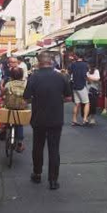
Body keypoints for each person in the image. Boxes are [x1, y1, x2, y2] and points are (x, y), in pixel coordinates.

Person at [24, 52, 72, 190]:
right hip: (56, 118)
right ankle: (53, 180)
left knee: (38, 147)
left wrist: (36, 99)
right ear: (51, 62)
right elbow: (68, 98)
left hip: (38, 118)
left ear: (38, 63)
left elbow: (26, 98)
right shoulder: (61, 76)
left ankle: (37, 174)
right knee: (54, 149)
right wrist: (58, 100)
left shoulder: (33, 77)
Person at [1, 67, 28, 152]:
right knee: (19, 123)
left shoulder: (9, 84)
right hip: (21, 106)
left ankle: (5, 127)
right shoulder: (25, 84)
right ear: (22, 76)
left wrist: (2, 94)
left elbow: (3, 93)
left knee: (7, 115)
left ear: (11, 76)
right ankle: (19, 143)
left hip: (10, 105)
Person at [68, 54, 90, 126]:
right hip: (81, 86)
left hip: (74, 86)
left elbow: (69, 73)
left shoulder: (73, 64)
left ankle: (74, 120)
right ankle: (85, 119)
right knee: (86, 103)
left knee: (77, 104)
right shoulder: (85, 65)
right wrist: (89, 80)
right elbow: (84, 75)